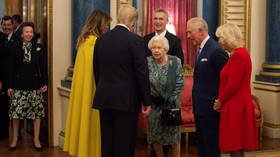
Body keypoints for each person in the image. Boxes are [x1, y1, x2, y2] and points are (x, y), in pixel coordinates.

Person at [92, 4, 151, 157]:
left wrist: (103, 89)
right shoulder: (135, 40)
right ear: (133, 23)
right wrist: (146, 101)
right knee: (124, 146)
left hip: (104, 98)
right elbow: (142, 73)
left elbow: (96, 71)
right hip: (126, 101)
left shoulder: (101, 40)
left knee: (107, 143)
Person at [63, 10, 111, 157]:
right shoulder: (95, 43)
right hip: (93, 90)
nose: (107, 28)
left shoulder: (84, 41)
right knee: (92, 124)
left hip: (84, 90)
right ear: (98, 24)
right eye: (105, 25)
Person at [213, 23, 258, 157]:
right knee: (237, 144)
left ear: (229, 37)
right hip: (236, 104)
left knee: (234, 144)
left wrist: (220, 101)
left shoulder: (238, 55)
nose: (219, 41)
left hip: (236, 105)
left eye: (220, 37)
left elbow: (233, 84)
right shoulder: (239, 54)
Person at [186, 17, 228, 157]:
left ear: (201, 31)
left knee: (211, 147)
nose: (188, 36)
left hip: (211, 109)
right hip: (200, 108)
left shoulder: (216, 50)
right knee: (203, 146)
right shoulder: (201, 50)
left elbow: (227, 79)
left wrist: (220, 101)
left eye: (190, 32)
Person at [7, 21, 48, 151]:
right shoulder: (14, 47)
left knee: (36, 114)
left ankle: (36, 139)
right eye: (26, 32)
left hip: (35, 85)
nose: (29, 34)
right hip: (18, 86)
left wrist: (44, 83)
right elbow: (10, 69)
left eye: (31, 32)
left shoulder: (39, 47)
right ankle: (14, 139)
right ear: (22, 34)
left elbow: (43, 67)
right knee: (16, 114)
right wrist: (9, 86)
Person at [147, 35, 184, 157]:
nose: (156, 50)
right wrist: (150, 98)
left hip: (171, 105)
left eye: (159, 48)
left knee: (173, 137)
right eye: (153, 48)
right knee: (156, 136)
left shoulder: (175, 62)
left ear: (165, 49)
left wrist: (168, 98)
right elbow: (142, 82)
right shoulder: (147, 62)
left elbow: (179, 84)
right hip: (154, 105)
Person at [0, 15, 16, 140]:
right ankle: (3, 133)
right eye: (4, 25)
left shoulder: (18, 39)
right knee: (2, 106)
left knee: (16, 107)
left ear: (13, 25)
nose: (6, 27)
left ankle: (18, 134)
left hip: (15, 79)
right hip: (1, 80)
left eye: (8, 25)